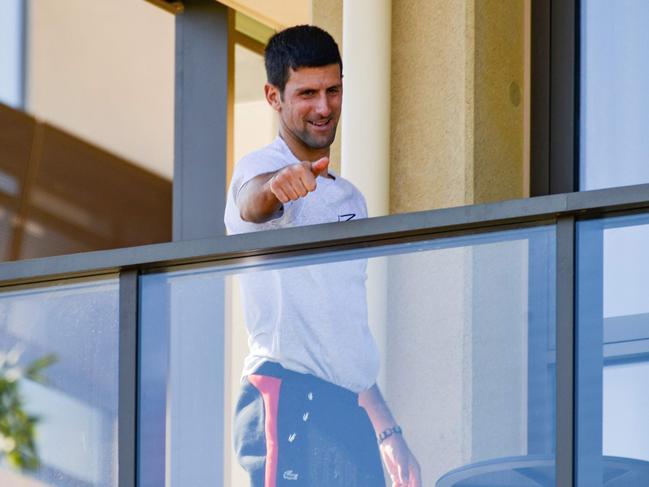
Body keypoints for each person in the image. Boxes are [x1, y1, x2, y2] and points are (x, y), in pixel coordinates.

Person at [225, 25, 421, 487]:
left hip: (346, 408)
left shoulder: (351, 199)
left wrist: (388, 430)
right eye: (307, 93)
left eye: (333, 90)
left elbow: (344, 333)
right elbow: (251, 204)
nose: (324, 106)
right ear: (274, 97)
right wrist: (277, 187)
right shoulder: (258, 168)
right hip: (287, 393)